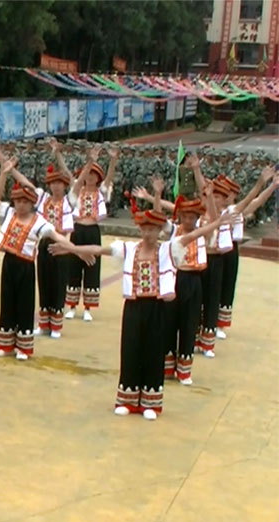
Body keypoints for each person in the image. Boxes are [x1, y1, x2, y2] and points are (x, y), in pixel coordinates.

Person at [50, 207, 231, 420]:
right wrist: (72, 248)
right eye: (145, 229)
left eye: (153, 229)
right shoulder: (128, 249)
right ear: (140, 230)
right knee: (131, 349)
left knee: (154, 351)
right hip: (133, 307)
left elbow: (192, 235)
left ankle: (150, 403)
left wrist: (217, 224)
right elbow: (99, 250)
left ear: (158, 231)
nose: (148, 233)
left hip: (157, 307)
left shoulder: (167, 250)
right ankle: (127, 399)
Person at [0, 159, 86, 360]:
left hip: (26, 264)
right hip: (9, 262)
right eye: (19, 201)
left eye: (25, 202)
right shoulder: (11, 212)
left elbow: (57, 235)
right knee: (7, 302)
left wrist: (77, 250)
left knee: (26, 302)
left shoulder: (39, 221)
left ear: (32, 204)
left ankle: (24, 346)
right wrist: (6, 172)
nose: (21, 205)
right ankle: (6, 344)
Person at [10, 140, 77, 339]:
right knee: (44, 282)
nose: (57, 187)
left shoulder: (67, 202)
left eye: (60, 184)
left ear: (64, 186)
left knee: (58, 284)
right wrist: (11, 169)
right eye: (54, 183)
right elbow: (25, 183)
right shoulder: (42, 198)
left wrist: (66, 247)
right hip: (43, 244)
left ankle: (56, 325)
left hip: (60, 244)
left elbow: (66, 230)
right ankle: (44, 323)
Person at [215, 167, 274, 339]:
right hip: (219, 249)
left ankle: (221, 323)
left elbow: (257, 201)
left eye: (232, 193)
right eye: (226, 193)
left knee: (228, 285)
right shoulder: (219, 211)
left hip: (233, 250)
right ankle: (209, 321)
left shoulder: (239, 210)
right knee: (216, 285)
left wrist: (272, 186)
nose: (229, 196)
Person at [65, 145, 118, 322]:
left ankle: (88, 307)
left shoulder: (101, 193)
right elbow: (76, 179)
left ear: (98, 178)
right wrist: (90, 162)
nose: (90, 177)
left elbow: (109, 179)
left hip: (92, 230)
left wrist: (113, 160)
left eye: (94, 175)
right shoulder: (77, 191)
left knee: (92, 267)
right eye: (88, 174)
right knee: (74, 265)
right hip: (77, 229)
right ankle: (71, 306)